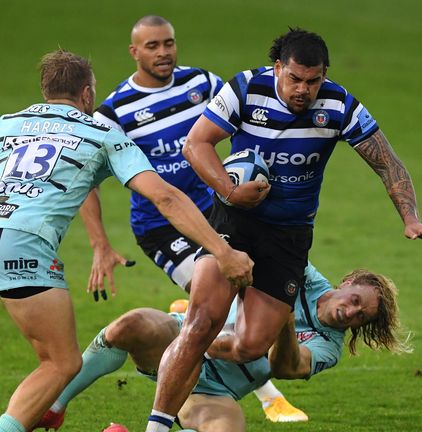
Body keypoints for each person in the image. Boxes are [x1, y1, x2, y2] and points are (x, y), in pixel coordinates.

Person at [0, 49, 253, 432]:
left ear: (45, 90)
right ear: (87, 95)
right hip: (24, 242)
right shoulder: (102, 134)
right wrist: (222, 251)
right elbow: (165, 197)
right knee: (61, 363)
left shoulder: (6, 123)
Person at [147, 28, 422, 432]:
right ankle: (157, 425)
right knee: (201, 324)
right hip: (235, 221)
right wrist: (230, 190)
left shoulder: (340, 104)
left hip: (289, 236)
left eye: (313, 81)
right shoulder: (245, 87)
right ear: (279, 68)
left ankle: (183, 353)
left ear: (323, 75)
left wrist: (410, 217)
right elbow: (196, 144)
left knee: (254, 345)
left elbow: (388, 162)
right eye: (295, 79)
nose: (303, 91)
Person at [78, 15, 307, 423]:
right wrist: (99, 244)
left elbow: (241, 117)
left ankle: (207, 353)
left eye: (168, 43)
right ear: (134, 52)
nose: (163, 52)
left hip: (213, 213)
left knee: (239, 293)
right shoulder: (115, 111)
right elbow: (85, 182)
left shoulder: (201, 83)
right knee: (227, 293)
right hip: (161, 227)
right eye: (152, 46)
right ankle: (268, 396)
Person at [34, 263, 410, 431]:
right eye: (357, 300)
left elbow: (285, 367)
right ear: (348, 282)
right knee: (131, 324)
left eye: (362, 318)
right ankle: (54, 405)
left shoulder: (329, 347)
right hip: (184, 340)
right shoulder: (303, 274)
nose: (352, 313)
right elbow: (256, 256)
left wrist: (282, 320)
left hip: (215, 390)